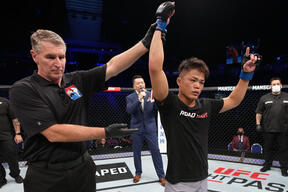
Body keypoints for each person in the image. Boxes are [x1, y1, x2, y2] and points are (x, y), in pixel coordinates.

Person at [8, 24, 165, 191]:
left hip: (82, 167)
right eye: (50, 57)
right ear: (34, 56)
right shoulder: (24, 89)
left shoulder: (76, 80)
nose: (58, 63)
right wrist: (105, 132)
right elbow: (53, 133)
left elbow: (112, 66)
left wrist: (145, 42)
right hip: (47, 175)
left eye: (62, 57)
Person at [148, 1, 260, 191]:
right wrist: (160, 26)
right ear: (179, 82)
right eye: (192, 80)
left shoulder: (206, 105)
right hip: (178, 183)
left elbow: (234, 100)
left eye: (201, 82)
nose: (197, 85)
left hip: (203, 179)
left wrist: (246, 75)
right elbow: (155, 68)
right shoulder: (169, 104)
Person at [126, 75, 166, 186]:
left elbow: (157, 109)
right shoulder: (130, 97)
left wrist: (159, 101)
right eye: (138, 83)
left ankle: (161, 176)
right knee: (136, 152)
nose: (141, 85)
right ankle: (138, 173)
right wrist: (139, 99)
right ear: (134, 86)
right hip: (136, 129)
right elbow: (129, 110)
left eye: (142, 82)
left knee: (156, 151)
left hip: (150, 128)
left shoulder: (151, 95)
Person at [255, 77, 288, 177]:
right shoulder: (264, 98)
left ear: (281, 85)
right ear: (270, 86)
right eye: (274, 84)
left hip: (284, 129)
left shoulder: (287, 96)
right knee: (268, 148)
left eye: (278, 84)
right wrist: (258, 124)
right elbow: (259, 112)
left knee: (284, 149)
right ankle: (267, 165)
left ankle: (284, 168)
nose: (276, 86)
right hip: (268, 129)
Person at [0, 96, 24, 188]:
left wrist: (17, 133)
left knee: (12, 156)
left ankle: (16, 174)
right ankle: (1, 179)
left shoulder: (5, 102)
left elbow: (15, 119)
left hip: (6, 136)